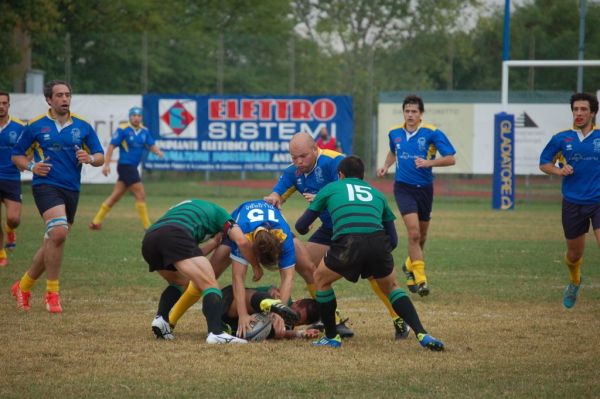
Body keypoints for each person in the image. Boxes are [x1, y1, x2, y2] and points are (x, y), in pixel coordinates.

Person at [265, 132, 409, 340]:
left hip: (354, 226)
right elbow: (278, 193)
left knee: (375, 275)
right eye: (293, 157)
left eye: (303, 156)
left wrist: (323, 198)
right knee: (302, 261)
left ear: (315, 149)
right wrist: (273, 197)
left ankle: (398, 318)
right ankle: (333, 319)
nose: (298, 161)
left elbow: (352, 188)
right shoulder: (293, 172)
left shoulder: (335, 162)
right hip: (329, 228)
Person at [296, 155, 444, 350]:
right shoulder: (377, 193)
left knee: (321, 280)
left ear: (340, 175)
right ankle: (422, 333)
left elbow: (300, 226)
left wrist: (311, 228)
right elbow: (393, 238)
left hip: (347, 242)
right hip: (378, 242)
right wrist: (374, 257)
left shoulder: (330, 188)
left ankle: (332, 337)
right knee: (391, 287)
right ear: (362, 176)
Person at [10, 80, 105, 313]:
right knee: (59, 232)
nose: (65, 99)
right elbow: (17, 156)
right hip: (45, 186)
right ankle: (52, 293)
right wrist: (32, 167)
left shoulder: (82, 126)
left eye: (68, 95)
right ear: (49, 100)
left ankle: (23, 286)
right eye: (60, 95)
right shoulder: (35, 126)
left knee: (55, 240)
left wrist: (90, 159)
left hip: (71, 188)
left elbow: (100, 155)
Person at [166, 199, 308, 339]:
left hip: (271, 228)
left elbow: (288, 277)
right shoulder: (243, 236)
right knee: (205, 278)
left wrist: (279, 314)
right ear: (253, 253)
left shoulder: (284, 238)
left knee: (307, 266)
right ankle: (170, 320)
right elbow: (237, 277)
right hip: (238, 226)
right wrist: (243, 315)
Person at [142, 198, 259, 344]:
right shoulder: (221, 214)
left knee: (180, 281)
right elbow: (241, 241)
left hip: (150, 239)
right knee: (210, 284)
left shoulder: (188, 208)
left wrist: (214, 243)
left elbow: (189, 255)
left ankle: (162, 319)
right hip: (175, 234)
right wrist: (255, 266)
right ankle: (215, 333)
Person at [377, 94, 456, 296]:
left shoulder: (431, 132)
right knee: (413, 233)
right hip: (403, 188)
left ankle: (408, 266)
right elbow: (393, 152)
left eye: (414, 111)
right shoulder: (394, 133)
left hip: (425, 189)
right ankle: (421, 280)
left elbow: (450, 159)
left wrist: (429, 163)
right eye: (407, 111)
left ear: (421, 114)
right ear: (403, 112)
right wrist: (386, 165)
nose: (410, 115)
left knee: (421, 236)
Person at [539, 92, 600, 309]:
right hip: (573, 202)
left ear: (593, 112)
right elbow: (544, 163)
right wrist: (559, 170)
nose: (579, 113)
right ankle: (575, 281)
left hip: (598, 201)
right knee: (574, 255)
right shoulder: (561, 138)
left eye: (583, 109)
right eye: (575, 109)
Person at [89, 106, 164, 230]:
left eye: (139, 115)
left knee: (115, 196)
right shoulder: (123, 129)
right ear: (130, 117)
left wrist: (158, 152)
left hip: (131, 167)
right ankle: (148, 226)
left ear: (141, 117)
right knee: (140, 194)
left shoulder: (144, 131)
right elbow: (112, 146)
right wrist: (106, 165)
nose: (136, 118)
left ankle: (96, 222)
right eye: (134, 115)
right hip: (126, 166)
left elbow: (151, 145)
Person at [218, 284, 321, 340]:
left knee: (272, 331)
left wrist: (301, 334)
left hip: (229, 325)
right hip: (230, 300)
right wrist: (271, 293)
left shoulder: (288, 324)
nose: (294, 321)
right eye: (296, 315)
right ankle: (270, 303)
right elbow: (262, 290)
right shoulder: (283, 297)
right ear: (297, 302)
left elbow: (284, 333)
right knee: (263, 301)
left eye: (299, 322)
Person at [0, 91, 26, 267]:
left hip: (11, 178)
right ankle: (1, 253)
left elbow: (29, 148)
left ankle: (10, 230)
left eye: (4, 103)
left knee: (14, 219)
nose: (1, 106)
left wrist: (26, 162)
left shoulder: (19, 127)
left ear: (9, 105)